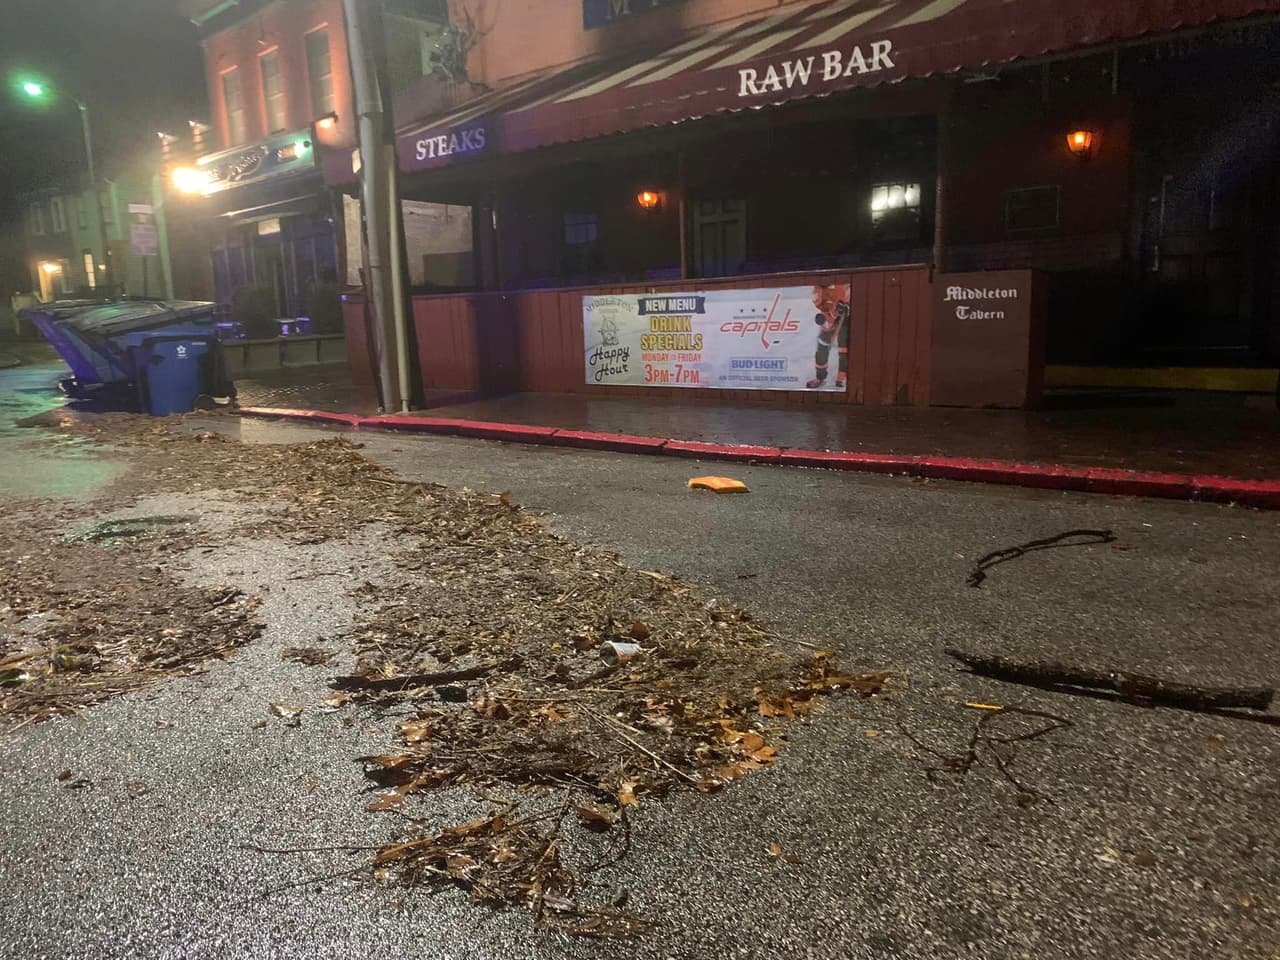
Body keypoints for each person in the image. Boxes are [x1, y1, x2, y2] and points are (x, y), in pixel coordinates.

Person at [806, 283, 851, 390]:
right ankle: (820, 377)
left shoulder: (845, 283)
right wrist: (832, 313)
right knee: (823, 345)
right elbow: (819, 303)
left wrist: (846, 306)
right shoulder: (819, 287)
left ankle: (842, 377)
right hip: (830, 316)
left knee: (844, 347)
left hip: (847, 316)